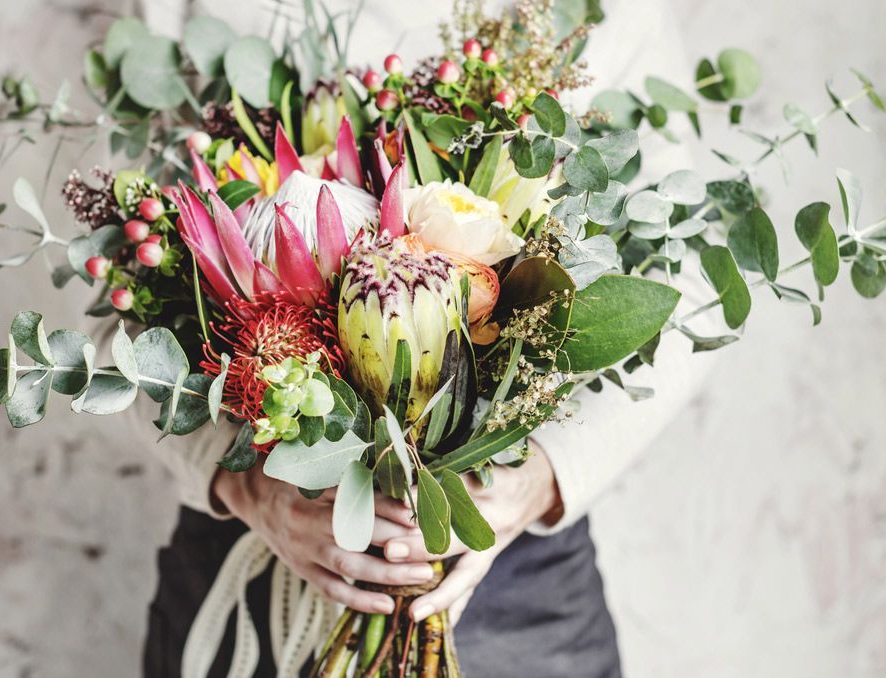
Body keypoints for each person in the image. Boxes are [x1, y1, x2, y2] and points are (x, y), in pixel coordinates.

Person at [137, 1, 720, 676]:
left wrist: (543, 475)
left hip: (512, 581)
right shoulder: (185, 16)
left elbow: (694, 280)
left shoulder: (601, 15)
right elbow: (118, 302)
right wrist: (251, 492)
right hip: (257, 558)